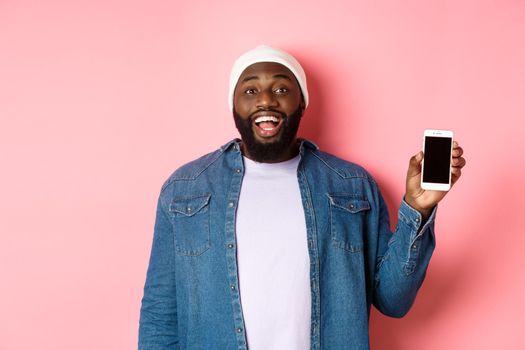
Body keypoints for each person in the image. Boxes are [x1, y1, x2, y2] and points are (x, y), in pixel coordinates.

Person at [138, 45, 466, 350]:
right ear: (233, 105)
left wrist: (418, 210)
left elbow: (394, 300)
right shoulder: (185, 189)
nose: (266, 100)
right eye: (250, 90)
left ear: (302, 102)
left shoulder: (351, 185)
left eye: (282, 89)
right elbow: (160, 314)